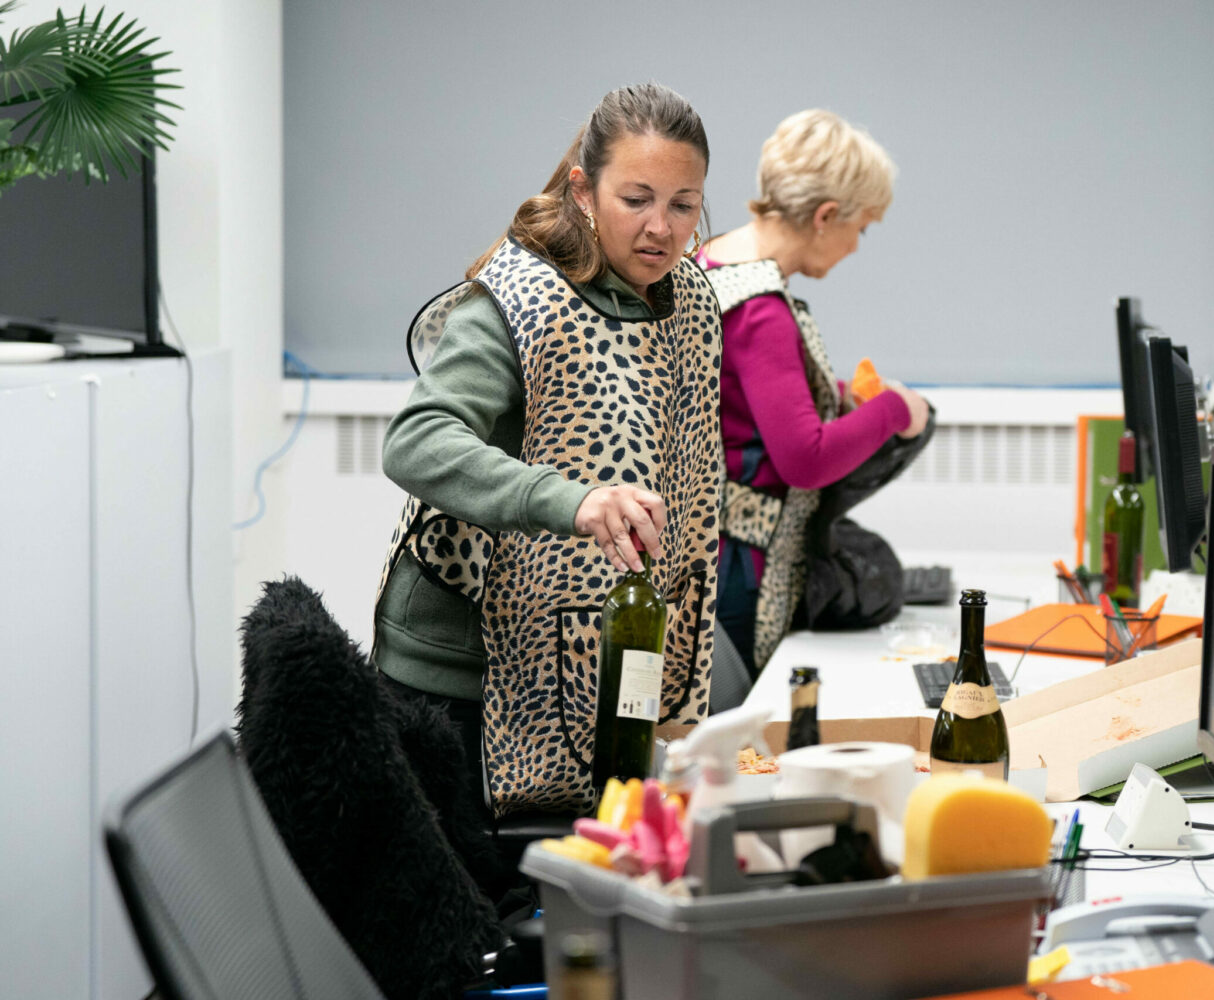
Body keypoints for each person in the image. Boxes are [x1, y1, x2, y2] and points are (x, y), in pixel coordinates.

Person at [372, 83, 721, 820]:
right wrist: (573, 499)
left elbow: (693, 485)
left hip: (589, 654)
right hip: (460, 666)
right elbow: (416, 441)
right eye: (636, 199)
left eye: (683, 204)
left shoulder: (689, 301)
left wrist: (680, 682)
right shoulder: (517, 297)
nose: (661, 227)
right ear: (584, 192)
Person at [698, 109, 930, 672]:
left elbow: (743, 402)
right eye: (862, 227)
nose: (857, 245)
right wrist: (897, 410)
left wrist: (839, 395)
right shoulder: (763, 310)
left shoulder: (713, 257)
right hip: (743, 569)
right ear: (826, 216)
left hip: (704, 549)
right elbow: (806, 458)